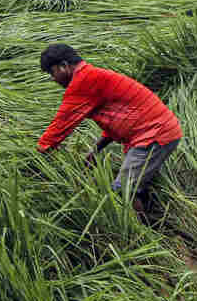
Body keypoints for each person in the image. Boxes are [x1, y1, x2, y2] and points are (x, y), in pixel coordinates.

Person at [37, 44, 182, 216]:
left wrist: (39, 152)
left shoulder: (83, 81)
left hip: (154, 135)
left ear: (64, 66)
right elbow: (118, 121)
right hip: (156, 131)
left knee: (123, 191)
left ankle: (141, 235)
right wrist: (95, 151)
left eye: (52, 72)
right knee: (136, 187)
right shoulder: (92, 76)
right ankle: (151, 217)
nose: (53, 78)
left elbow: (62, 123)